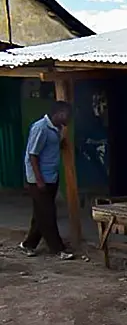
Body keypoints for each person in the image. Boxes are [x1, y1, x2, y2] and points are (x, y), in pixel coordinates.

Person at [20, 101, 75, 261]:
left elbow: (49, 149)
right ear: (58, 113)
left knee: (41, 214)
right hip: (40, 178)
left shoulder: (57, 129)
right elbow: (33, 155)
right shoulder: (41, 127)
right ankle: (58, 249)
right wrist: (39, 180)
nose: (69, 118)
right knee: (49, 214)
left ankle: (28, 244)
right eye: (67, 115)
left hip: (51, 176)